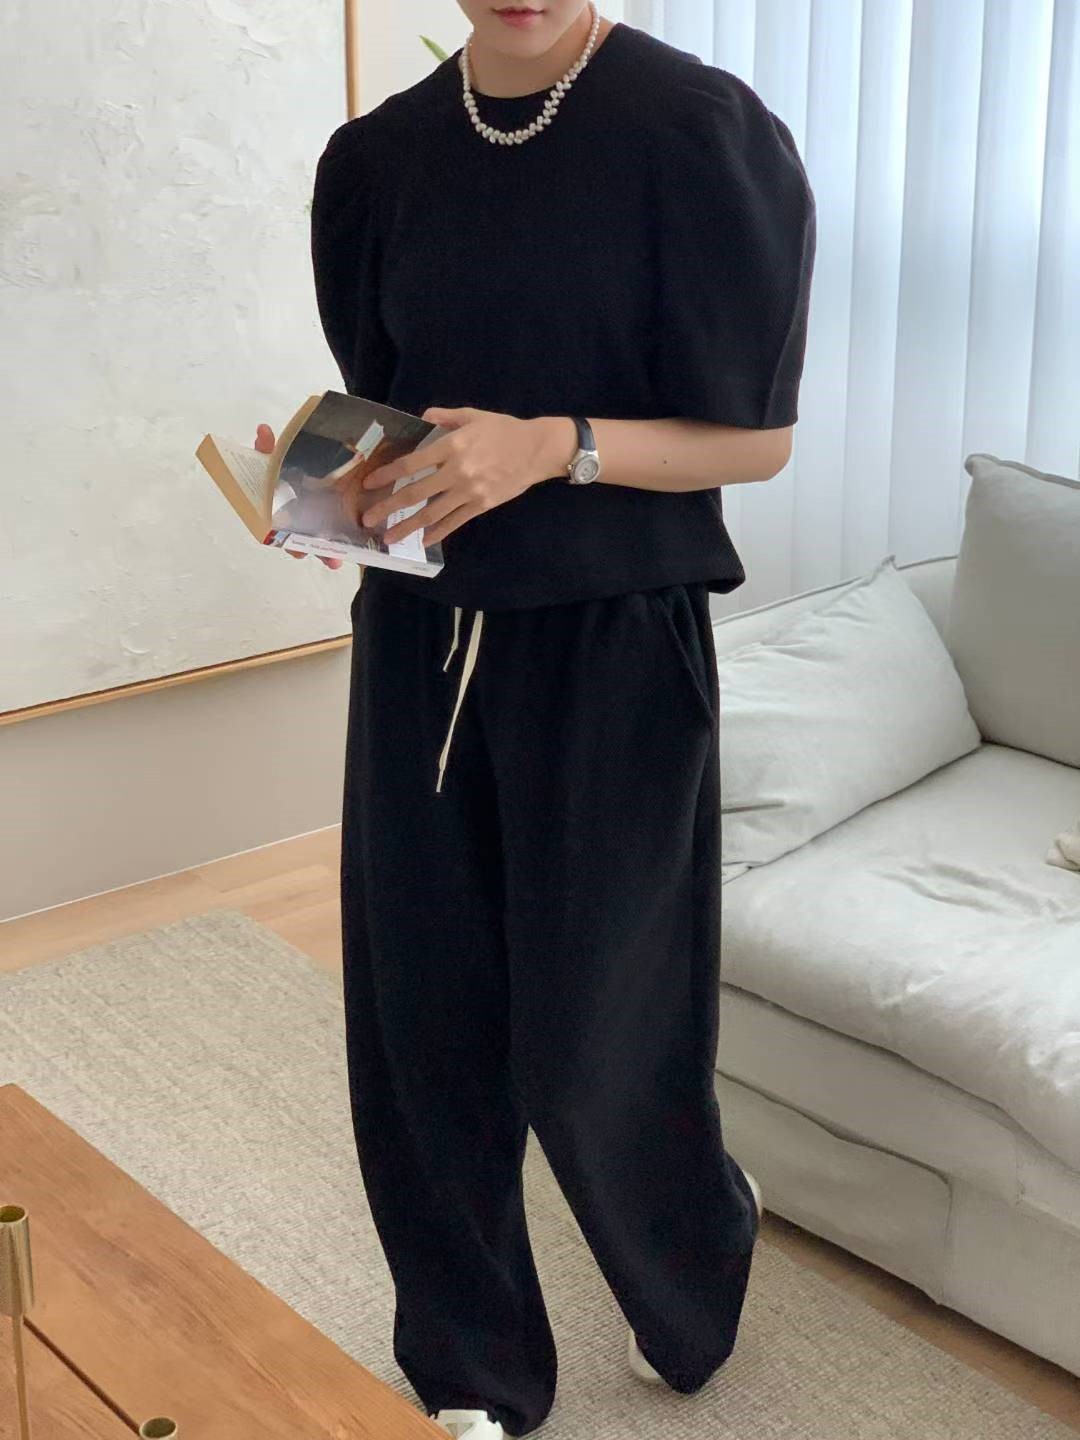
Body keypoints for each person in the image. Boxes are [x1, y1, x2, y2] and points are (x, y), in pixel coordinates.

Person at [258, 5, 815, 1436]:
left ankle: (694, 1245)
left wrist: (553, 449)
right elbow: (403, 424)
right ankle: (474, 1372)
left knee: (594, 1035)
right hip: (420, 642)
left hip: (615, 643)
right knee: (421, 1027)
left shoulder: (701, 136)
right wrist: (340, 491)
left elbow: (756, 440)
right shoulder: (377, 161)